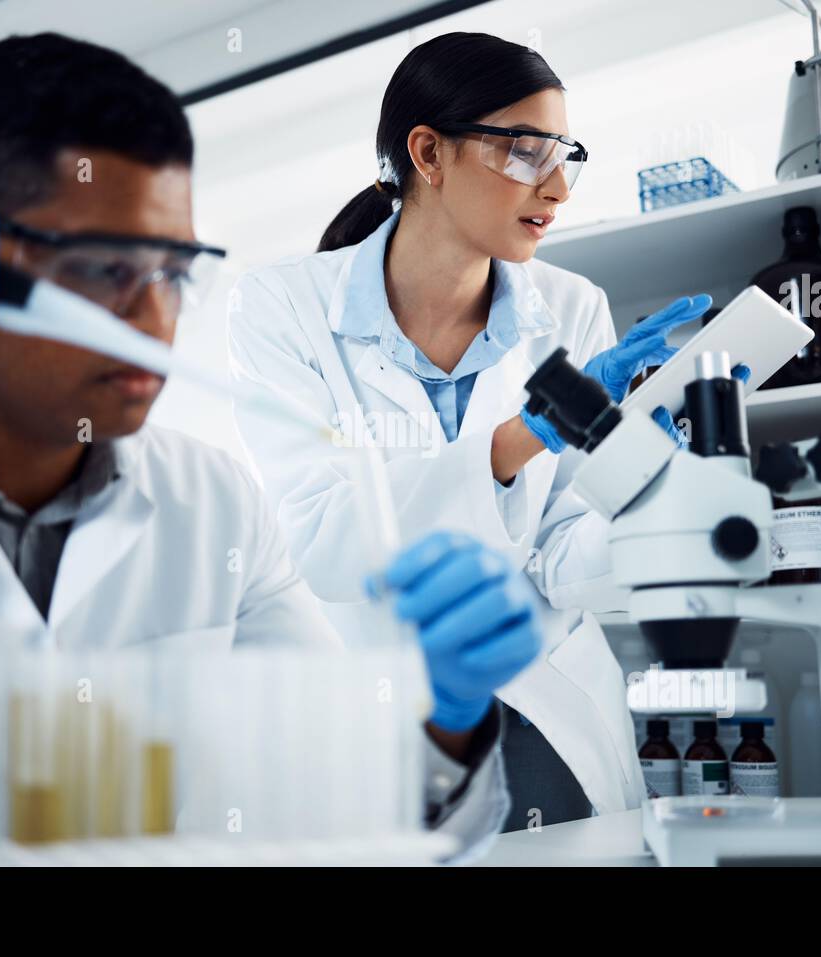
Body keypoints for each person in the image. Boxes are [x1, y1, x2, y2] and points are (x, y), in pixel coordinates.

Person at [0, 34, 541, 864]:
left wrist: (445, 716)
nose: (153, 319)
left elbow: (334, 816)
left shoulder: (215, 506)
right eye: (101, 269)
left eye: (172, 270)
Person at [229, 32, 746, 830]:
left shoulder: (571, 310)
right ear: (428, 153)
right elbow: (325, 538)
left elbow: (564, 554)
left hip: (544, 709)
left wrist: (649, 494)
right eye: (525, 152)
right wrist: (525, 435)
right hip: (383, 721)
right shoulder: (282, 307)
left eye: (565, 156)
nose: (558, 188)